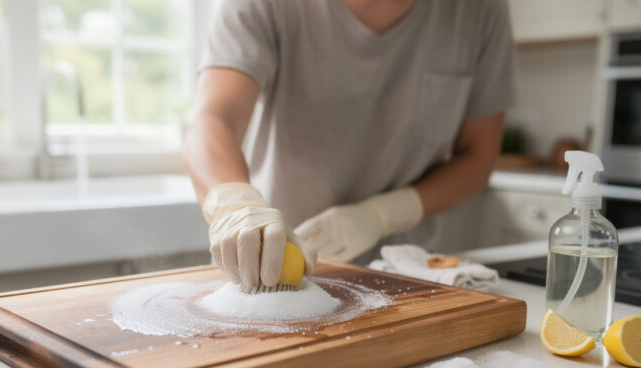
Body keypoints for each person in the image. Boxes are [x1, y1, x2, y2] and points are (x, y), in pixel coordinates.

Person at [182, 0, 516, 293]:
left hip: (405, 277)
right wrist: (234, 204)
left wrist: (382, 216)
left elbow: (478, 156)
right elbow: (212, 119)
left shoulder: (482, 9)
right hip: (267, 273)